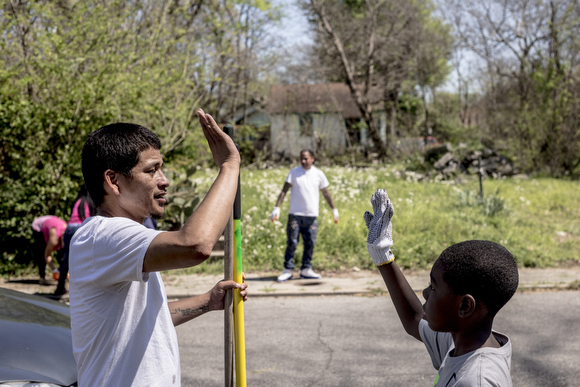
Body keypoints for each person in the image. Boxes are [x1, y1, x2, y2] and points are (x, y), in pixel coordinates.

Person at [69, 109, 248, 386]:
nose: (164, 180)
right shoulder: (103, 235)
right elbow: (195, 245)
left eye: (161, 168)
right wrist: (229, 165)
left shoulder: (128, 240)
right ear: (113, 180)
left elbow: (148, 319)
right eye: (151, 170)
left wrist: (207, 301)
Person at [363, 189, 519, 386]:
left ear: (464, 307)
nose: (425, 293)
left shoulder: (476, 381)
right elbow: (414, 319)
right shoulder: (462, 340)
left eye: (433, 287)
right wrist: (382, 256)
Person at [270, 149, 338, 282]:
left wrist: (334, 209)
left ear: (312, 159)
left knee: (310, 243)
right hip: (295, 214)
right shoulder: (294, 173)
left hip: (311, 215)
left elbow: (325, 192)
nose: (303, 161)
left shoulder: (318, 174)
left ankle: (306, 269)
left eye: (306, 158)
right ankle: (288, 270)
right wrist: (276, 207)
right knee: (292, 242)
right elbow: (284, 191)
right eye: (301, 158)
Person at [54, 185, 96, 296]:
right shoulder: (90, 201)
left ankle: (60, 287)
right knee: (83, 259)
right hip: (80, 229)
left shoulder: (77, 201)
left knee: (67, 260)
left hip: (69, 228)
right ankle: (81, 290)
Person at [31, 215, 67, 285]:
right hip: (39, 225)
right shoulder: (54, 238)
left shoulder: (69, 232)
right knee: (42, 251)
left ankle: (62, 276)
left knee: (62, 253)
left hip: (53, 221)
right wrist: (54, 269)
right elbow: (47, 254)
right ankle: (42, 277)